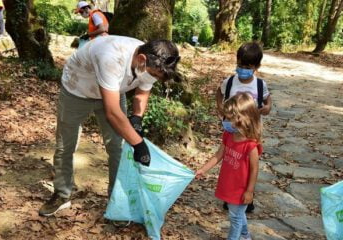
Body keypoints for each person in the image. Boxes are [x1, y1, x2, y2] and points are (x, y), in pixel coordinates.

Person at [38, 35, 181, 217]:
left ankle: (116, 199)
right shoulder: (111, 56)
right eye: (153, 74)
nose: (153, 78)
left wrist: (136, 118)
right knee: (65, 145)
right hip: (77, 90)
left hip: (113, 91)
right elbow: (112, 112)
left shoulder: (153, 63)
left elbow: (141, 94)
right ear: (141, 59)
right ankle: (62, 193)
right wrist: (138, 144)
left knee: (118, 147)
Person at [196, 92, 262, 240]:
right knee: (237, 214)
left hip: (241, 188)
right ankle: (245, 236)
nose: (225, 121)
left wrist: (249, 191)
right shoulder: (228, 135)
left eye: (229, 118)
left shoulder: (250, 145)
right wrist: (203, 169)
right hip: (228, 183)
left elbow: (254, 169)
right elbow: (218, 155)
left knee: (235, 217)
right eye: (225, 117)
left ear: (243, 119)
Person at [215, 41, 272, 213]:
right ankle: (230, 196)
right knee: (232, 162)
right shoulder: (230, 82)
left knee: (249, 165)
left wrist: (267, 108)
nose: (242, 69)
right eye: (240, 65)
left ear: (257, 66)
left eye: (247, 66)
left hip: (251, 133)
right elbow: (219, 92)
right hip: (232, 129)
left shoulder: (260, 85)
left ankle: (248, 194)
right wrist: (220, 108)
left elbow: (268, 101)